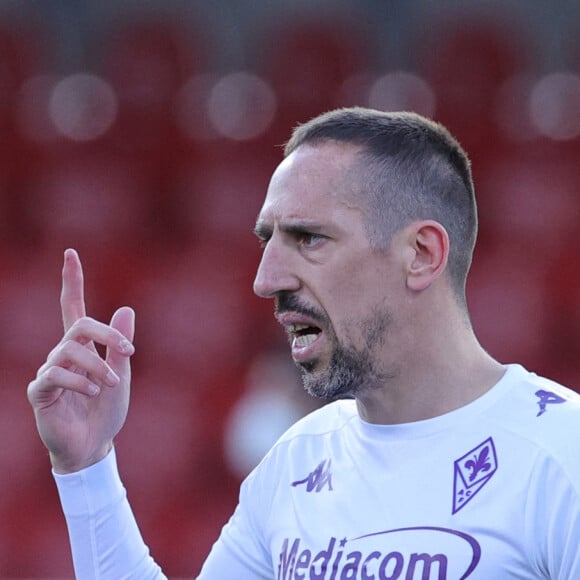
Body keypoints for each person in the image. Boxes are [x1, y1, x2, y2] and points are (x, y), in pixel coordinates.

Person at [28, 107, 580, 579]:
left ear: (422, 255)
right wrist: (87, 465)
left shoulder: (562, 456)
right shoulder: (296, 460)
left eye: (309, 238)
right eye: (269, 241)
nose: (266, 280)